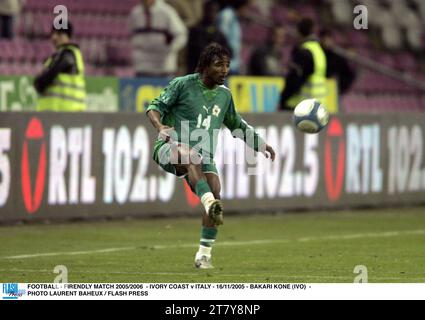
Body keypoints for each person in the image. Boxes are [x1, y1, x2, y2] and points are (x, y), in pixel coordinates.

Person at [146, 43, 276, 269]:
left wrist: (260, 144)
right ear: (205, 66)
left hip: (203, 154)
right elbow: (153, 107)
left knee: (215, 186)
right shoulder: (182, 84)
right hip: (171, 146)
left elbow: (237, 124)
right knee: (191, 157)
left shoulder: (225, 96)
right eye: (219, 65)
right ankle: (209, 203)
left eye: (227, 65)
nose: (225, 70)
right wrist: (160, 127)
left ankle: (204, 255)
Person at [34, 22, 87, 112]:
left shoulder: (67, 55)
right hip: (60, 112)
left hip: (65, 112)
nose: (54, 37)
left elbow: (43, 81)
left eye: (58, 34)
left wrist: (39, 81)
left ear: (66, 36)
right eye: (53, 33)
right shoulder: (59, 56)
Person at [278, 18, 327, 111]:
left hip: (302, 105)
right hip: (318, 104)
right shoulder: (319, 51)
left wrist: (283, 99)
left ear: (298, 32)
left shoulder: (304, 52)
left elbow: (294, 79)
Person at [129, 0, 187, 77]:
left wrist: (172, 48)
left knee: (165, 88)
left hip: (164, 66)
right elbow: (132, 34)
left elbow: (181, 34)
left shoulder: (167, 11)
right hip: (142, 66)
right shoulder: (135, 13)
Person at [187, 0, 230, 74]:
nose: (212, 14)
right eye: (210, 11)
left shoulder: (218, 32)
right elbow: (200, 52)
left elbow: (229, 51)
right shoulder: (196, 31)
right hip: (198, 72)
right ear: (204, 11)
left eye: (215, 11)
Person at [217, 0, 251, 74]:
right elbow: (221, 36)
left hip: (234, 64)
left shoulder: (236, 18)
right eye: (246, 8)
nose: (247, 11)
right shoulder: (227, 14)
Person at [319, 28, 356, 95]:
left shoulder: (337, 57)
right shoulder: (315, 53)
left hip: (329, 92)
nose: (328, 41)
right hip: (314, 91)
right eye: (325, 39)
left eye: (329, 39)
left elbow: (349, 74)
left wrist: (339, 88)